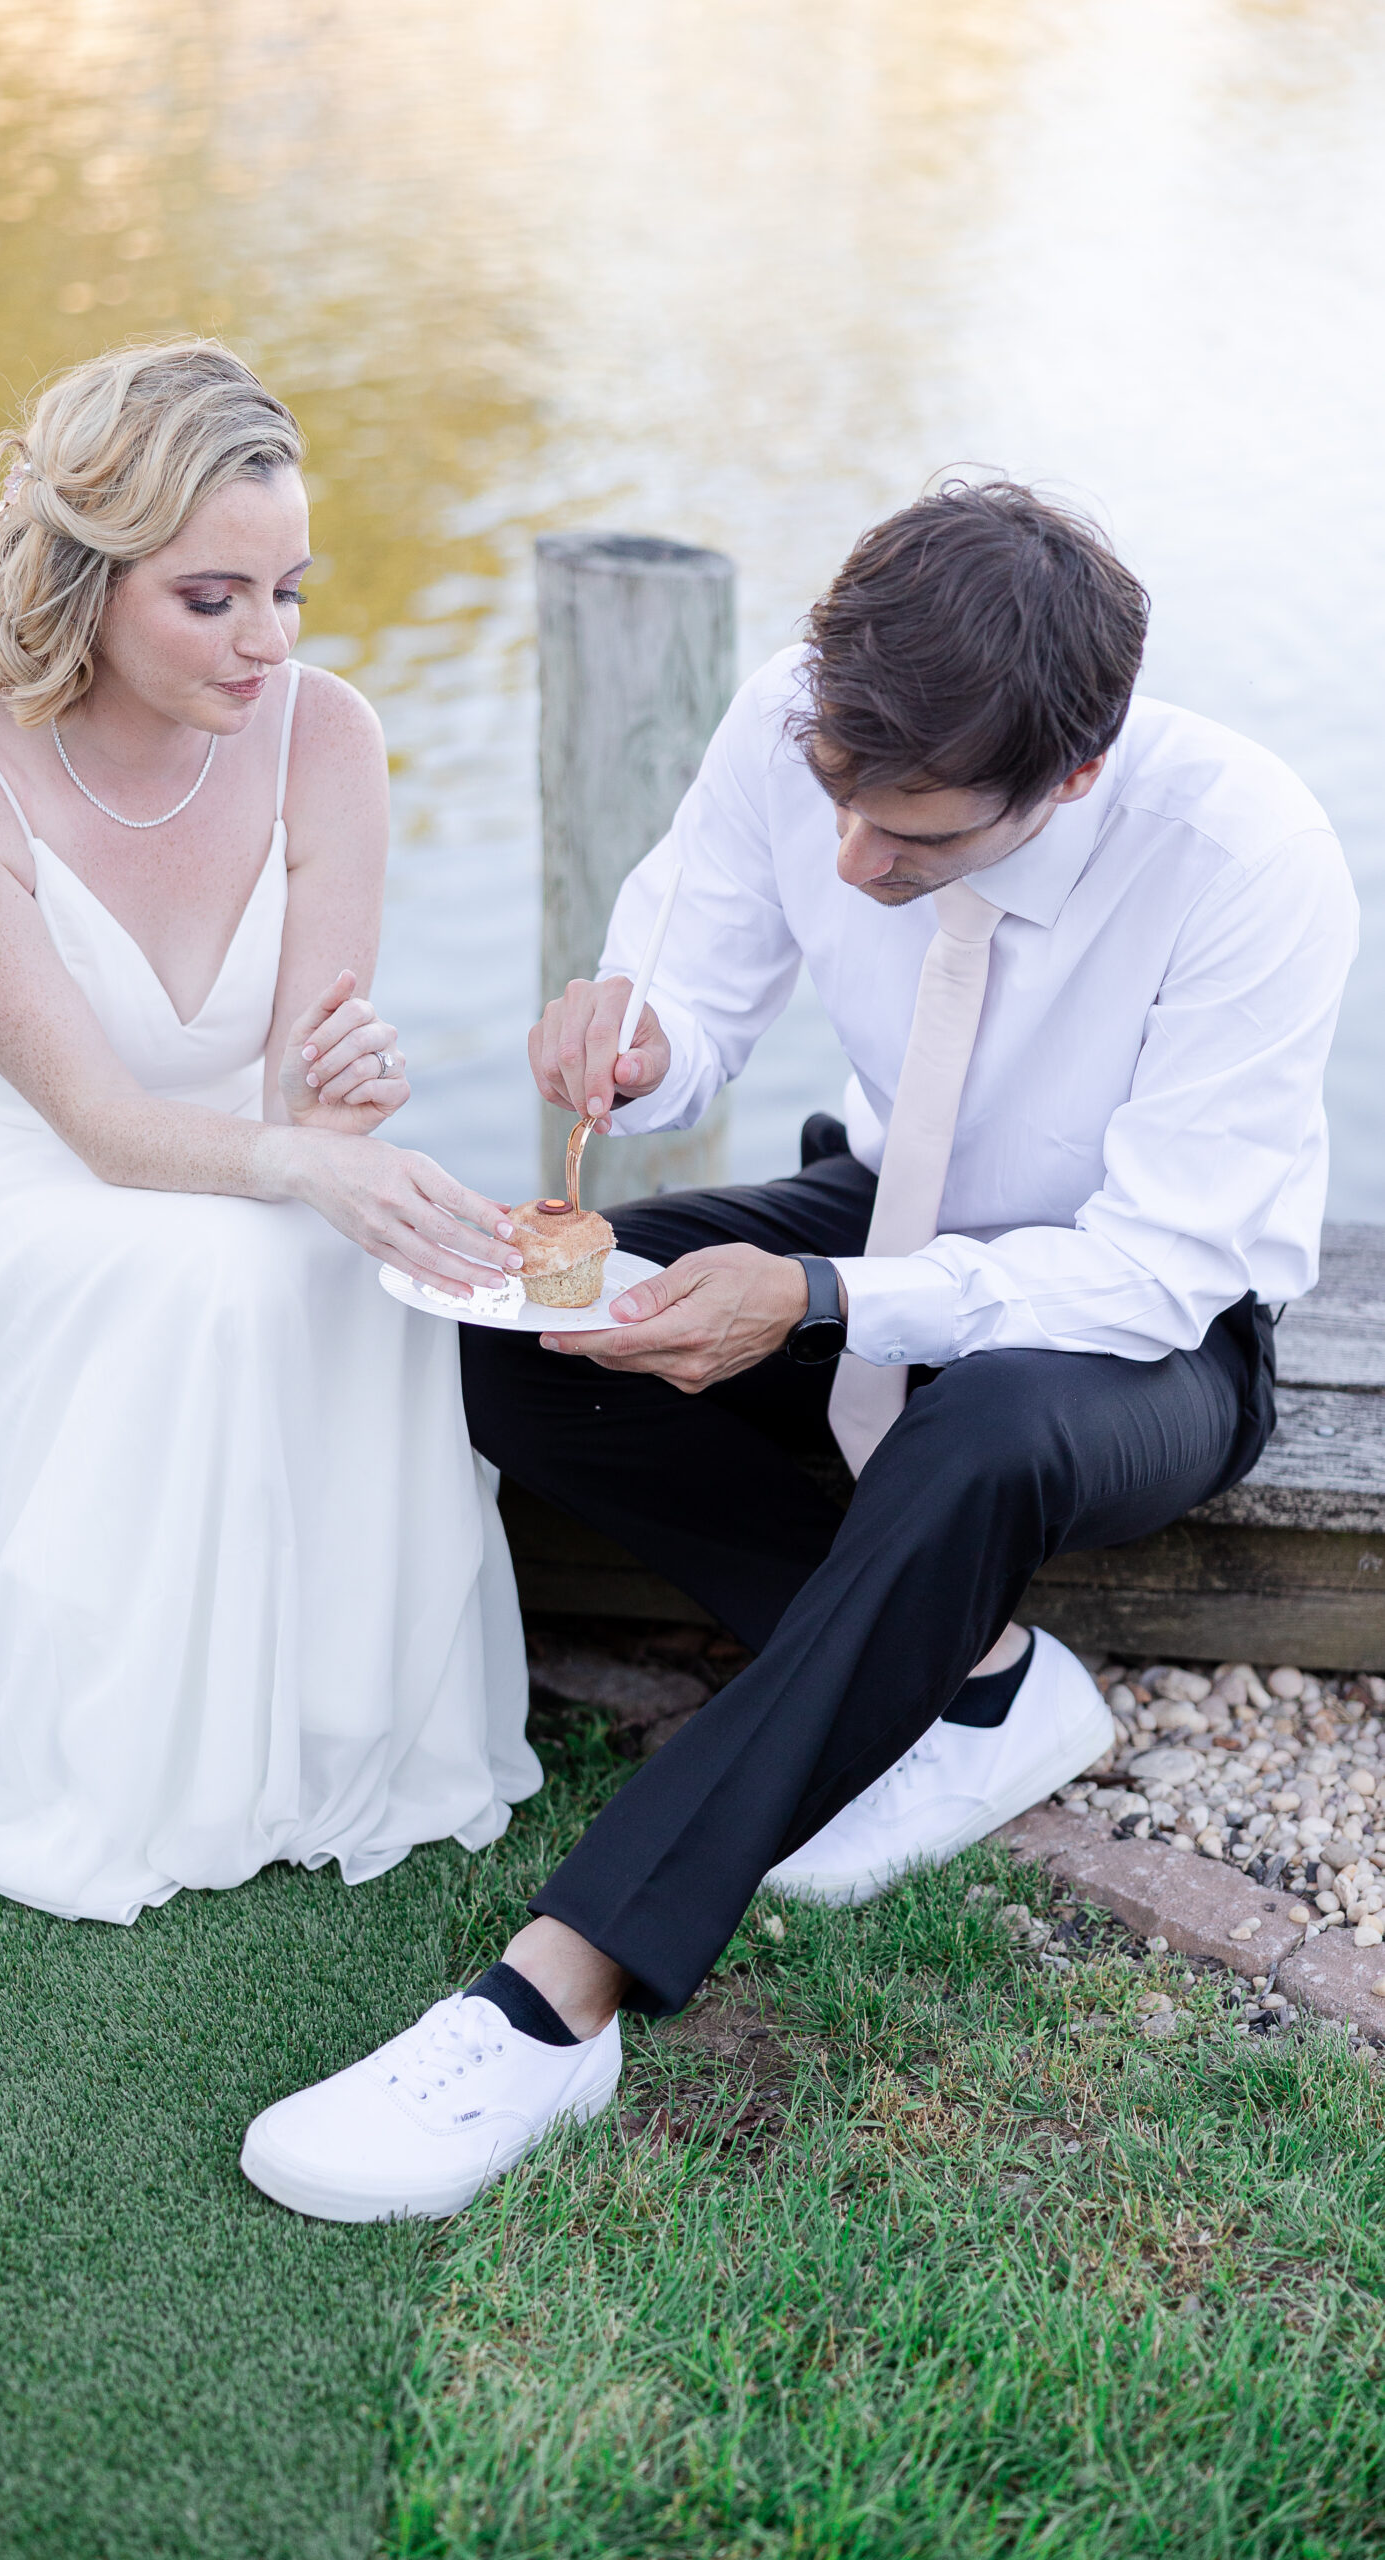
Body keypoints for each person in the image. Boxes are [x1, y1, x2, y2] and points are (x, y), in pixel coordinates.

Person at [240, 479, 1358, 2223]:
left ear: (1068, 776)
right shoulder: (795, 719)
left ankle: (558, 1998)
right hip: (878, 1212)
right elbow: (698, 997)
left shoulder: (1247, 855)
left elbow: (1159, 1265)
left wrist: (826, 1304)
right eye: (840, 801)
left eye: (916, 844)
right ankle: (969, 1677)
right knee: (523, 1324)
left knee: (981, 1432)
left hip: (1144, 1332)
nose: (859, 863)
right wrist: (635, 1036)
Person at [0, 340, 539, 1925]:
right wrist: (303, 1164)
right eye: (211, 599)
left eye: (290, 589)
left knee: (383, 1251)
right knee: (229, 1275)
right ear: (85, 575)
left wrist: (342, 1097)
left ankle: (334, 1720)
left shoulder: (327, 733)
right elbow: (98, 1126)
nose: (266, 641)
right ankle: (160, 1756)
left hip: (221, 1156)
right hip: (3, 1190)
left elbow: (292, 1098)